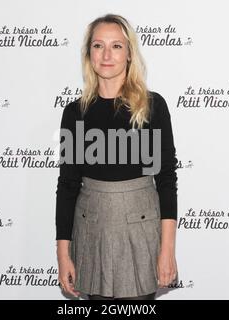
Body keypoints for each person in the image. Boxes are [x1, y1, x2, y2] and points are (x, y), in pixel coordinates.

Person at [55, 13, 178, 300]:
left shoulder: (152, 107)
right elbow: (68, 186)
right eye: (98, 46)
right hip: (92, 231)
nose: (107, 55)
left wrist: (167, 250)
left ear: (130, 54)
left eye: (117, 46)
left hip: (141, 231)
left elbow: (166, 180)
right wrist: (63, 254)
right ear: (89, 55)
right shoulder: (75, 113)